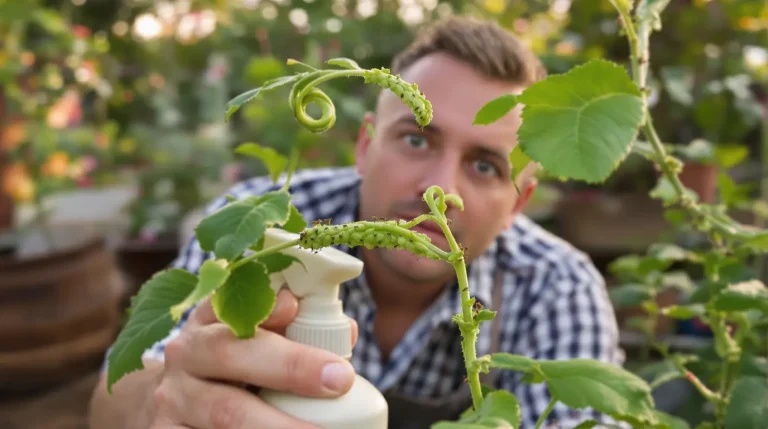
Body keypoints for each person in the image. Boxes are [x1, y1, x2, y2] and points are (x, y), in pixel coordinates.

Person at [89, 15, 624, 429]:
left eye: (484, 166)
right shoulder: (260, 225)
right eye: (416, 139)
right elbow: (115, 397)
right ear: (365, 146)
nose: (440, 188)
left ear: (519, 203)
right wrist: (165, 400)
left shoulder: (556, 284)